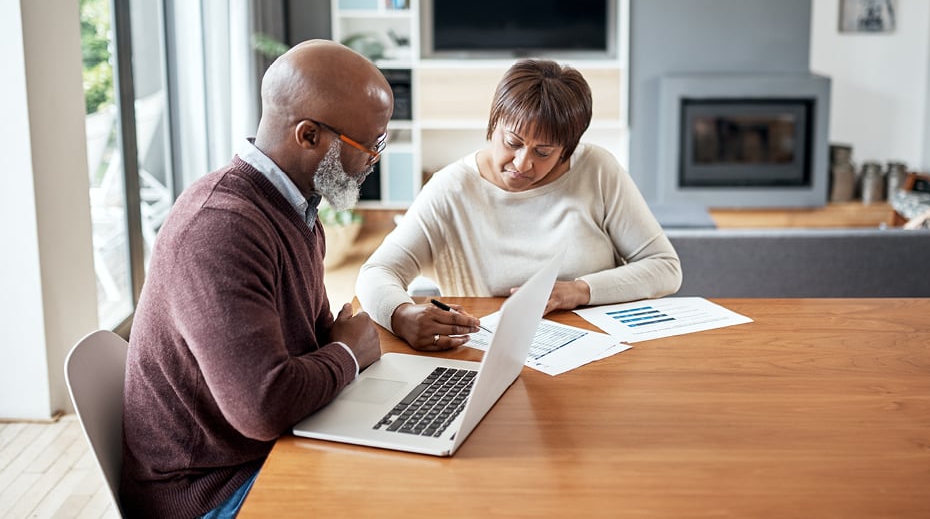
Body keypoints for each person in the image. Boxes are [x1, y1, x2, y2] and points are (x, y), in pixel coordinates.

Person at [120, 40, 393, 518]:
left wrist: (361, 337)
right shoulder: (220, 229)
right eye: (368, 144)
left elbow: (308, 344)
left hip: (260, 453)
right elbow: (263, 406)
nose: (373, 159)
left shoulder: (296, 209)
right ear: (308, 136)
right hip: (211, 492)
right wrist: (349, 353)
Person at [356, 59, 682, 351]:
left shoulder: (597, 169)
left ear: (567, 150)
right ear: (493, 124)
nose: (522, 164)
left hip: (604, 350)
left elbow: (665, 268)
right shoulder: (451, 189)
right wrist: (401, 315)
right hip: (491, 355)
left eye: (544, 152)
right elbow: (377, 272)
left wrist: (580, 290)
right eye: (512, 143)